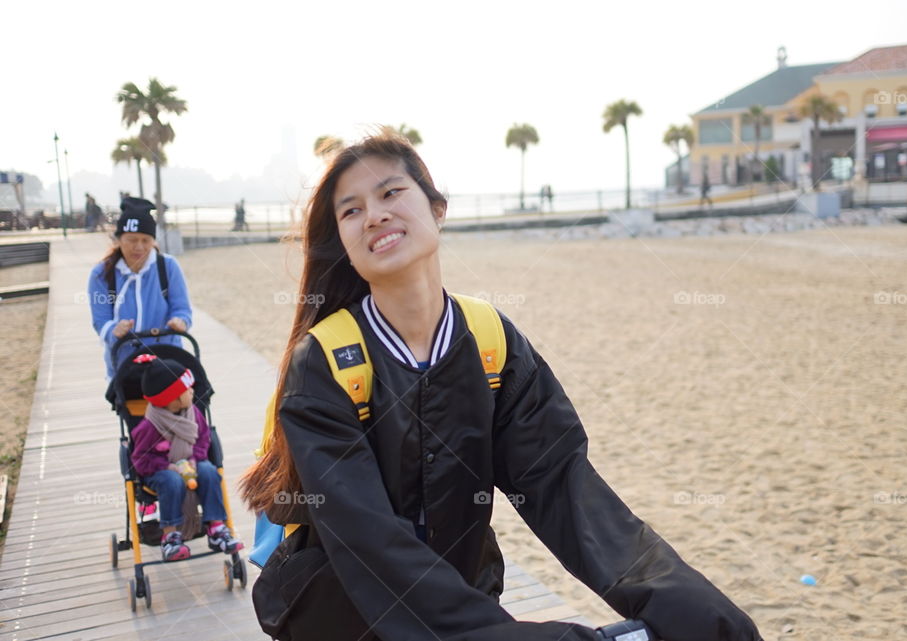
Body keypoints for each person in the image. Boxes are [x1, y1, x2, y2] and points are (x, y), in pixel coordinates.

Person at [239, 134, 762, 641]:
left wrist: (694, 608)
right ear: (345, 246)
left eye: (391, 192)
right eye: (350, 210)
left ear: (437, 208)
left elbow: (564, 491)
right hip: (343, 619)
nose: (375, 214)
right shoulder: (325, 362)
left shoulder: (491, 340)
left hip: (469, 608)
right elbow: (368, 540)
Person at [131, 355, 243, 561]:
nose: (192, 391)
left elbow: (203, 439)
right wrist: (167, 466)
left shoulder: (193, 414)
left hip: (191, 462)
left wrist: (195, 459)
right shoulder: (150, 426)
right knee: (172, 480)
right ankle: (170, 536)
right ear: (172, 398)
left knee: (209, 470)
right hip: (161, 472)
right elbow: (141, 460)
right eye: (187, 389)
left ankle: (216, 527)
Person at [87, 196, 193, 378]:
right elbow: (100, 320)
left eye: (146, 240)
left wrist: (180, 321)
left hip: (168, 362)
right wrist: (114, 330)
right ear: (119, 240)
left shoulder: (168, 267)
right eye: (132, 240)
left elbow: (182, 309)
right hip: (124, 365)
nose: (139, 247)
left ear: (154, 241)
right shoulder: (101, 274)